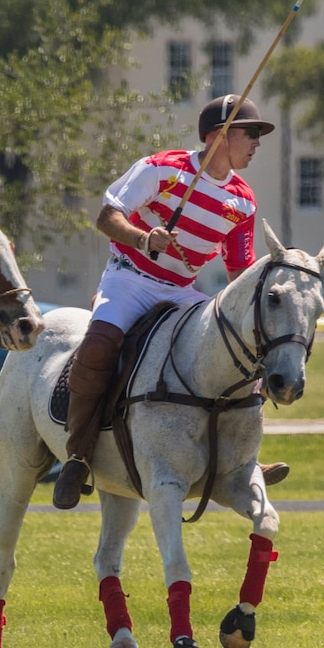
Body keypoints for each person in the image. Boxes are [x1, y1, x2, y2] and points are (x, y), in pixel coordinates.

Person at [52, 94, 288, 511]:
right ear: (218, 135)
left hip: (182, 291)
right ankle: (77, 456)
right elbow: (107, 216)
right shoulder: (164, 168)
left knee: (237, 355)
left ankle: (241, 460)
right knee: (99, 346)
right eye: (249, 132)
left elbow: (240, 272)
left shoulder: (242, 201)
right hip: (130, 278)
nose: (256, 142)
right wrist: (145, 239)